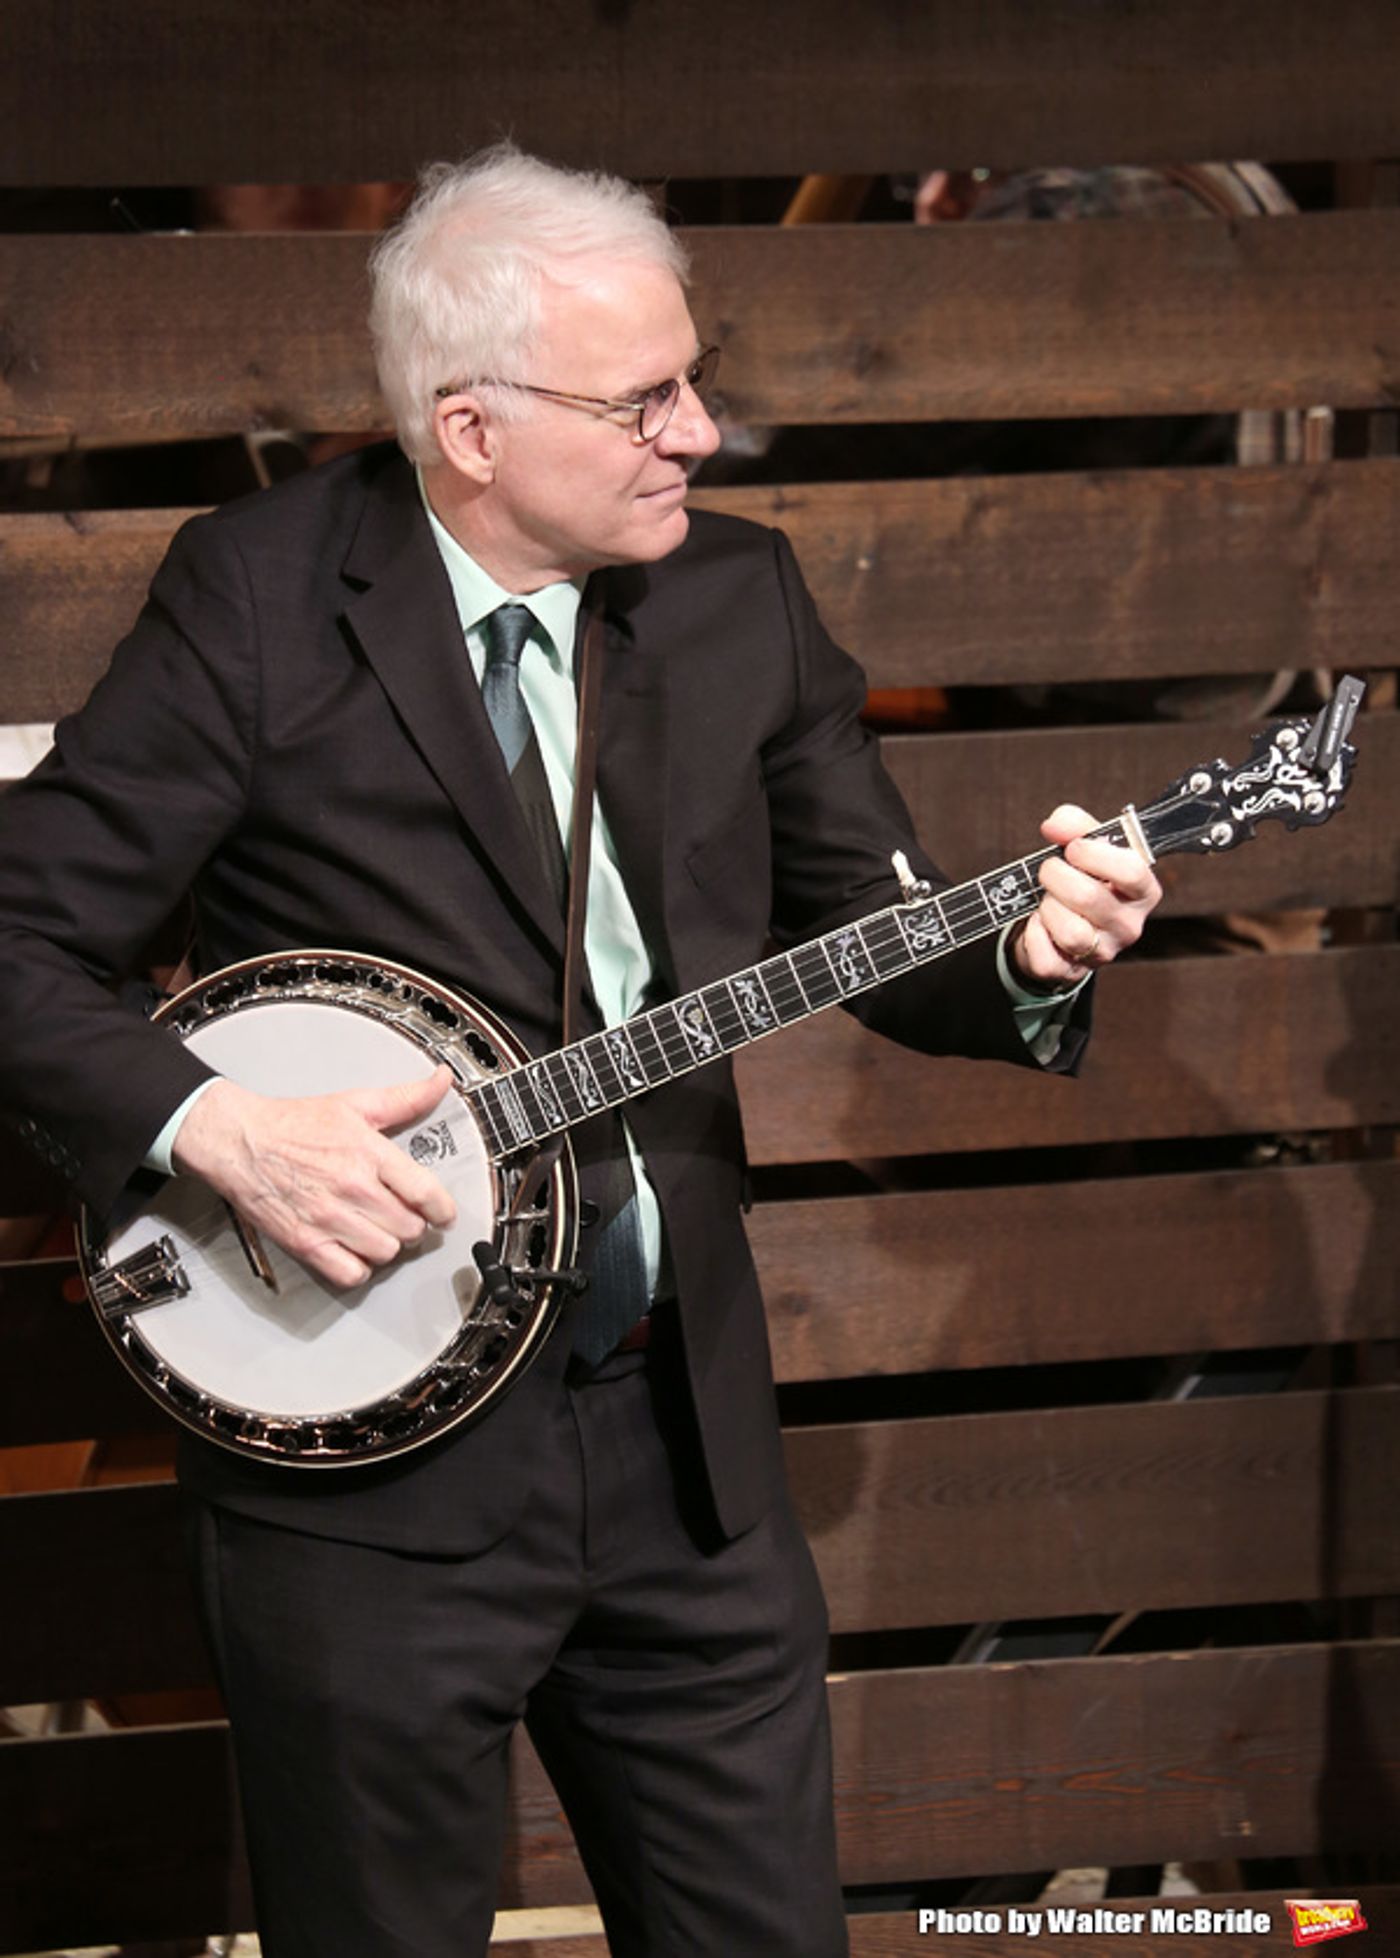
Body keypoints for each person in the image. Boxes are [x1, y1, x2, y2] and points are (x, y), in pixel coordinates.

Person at [0, 146, 1160, 1957]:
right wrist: (222, 1128)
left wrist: (1027, 946)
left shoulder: (737, 599)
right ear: (471, 429)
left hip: (682, 1452)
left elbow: (887, 921)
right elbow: (16, 941)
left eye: (694, 379)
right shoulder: (256, 601)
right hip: (366, 1473)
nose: (700, 431)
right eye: (648, 399)